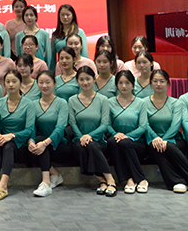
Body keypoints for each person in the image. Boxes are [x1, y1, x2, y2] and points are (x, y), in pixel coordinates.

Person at [144, 69, 188, 194]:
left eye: (162, 81)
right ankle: (180, 181)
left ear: (168, 83)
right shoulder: (143, 103)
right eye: (155, 81)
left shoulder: (176, 103)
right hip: (152, 140)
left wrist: (164, 139)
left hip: (174, 139)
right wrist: (156, 138)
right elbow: (145, 124)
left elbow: (176, 125)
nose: (158, 84)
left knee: (168, 146)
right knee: (158, 149)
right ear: (150, 83)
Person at [0, 69, 35, 201]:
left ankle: (3, 185)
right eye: (8, 82)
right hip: (3, 140)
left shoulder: (28, 104)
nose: (11, 84)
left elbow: (29, 130)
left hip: (20, 143)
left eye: (14, 81)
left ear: (20, 83)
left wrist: (11, 135)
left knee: (8, 146)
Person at [68, 66, 117, 196]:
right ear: (77, 81)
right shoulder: (72, 100)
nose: (85, 82)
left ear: (94, 79)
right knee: (82, 147)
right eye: (81, 79)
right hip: (79, 141)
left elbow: (104, 124)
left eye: (88, 79)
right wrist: (82, 137)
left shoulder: (103, 99)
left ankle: (105, 180)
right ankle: (106, 179)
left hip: (99, 141)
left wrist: (89, 136)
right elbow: (73, 123)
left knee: (91, 145)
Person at [106, 70, 149, 194]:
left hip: (136, 142)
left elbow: (143, 126)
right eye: (120, 83)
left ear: (133, 84)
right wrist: (115, 134)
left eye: (127, 83)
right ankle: (129, 179)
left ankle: (140, 179)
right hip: (117, 140)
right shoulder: (110, 102)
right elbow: (107, 124)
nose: (124, 86)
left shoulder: (141, 103)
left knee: (124, 142)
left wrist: (127, 136)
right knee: (113, 142)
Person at [28, 70, 70, 197]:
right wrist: (31, 141)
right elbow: (31, 128)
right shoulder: (33, 104)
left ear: (54, 83)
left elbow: (60, 128)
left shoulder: (62, 103)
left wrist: (45, 143)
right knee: (31, 145)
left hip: (59, 145)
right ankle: (54, 174)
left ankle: (46, 183)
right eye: (41, 82)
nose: (44, 85)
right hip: (41, 146)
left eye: (48, 82)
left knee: (40, 142)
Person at [15, 6, 52, 70]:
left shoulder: (44, 34)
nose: (29, 18)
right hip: (24, 69)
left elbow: (48, 55)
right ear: (23, 17)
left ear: (36, 17)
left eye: (31, 15)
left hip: (40, 68)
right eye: (26, 15)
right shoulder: (18, 36)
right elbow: (18, 55)